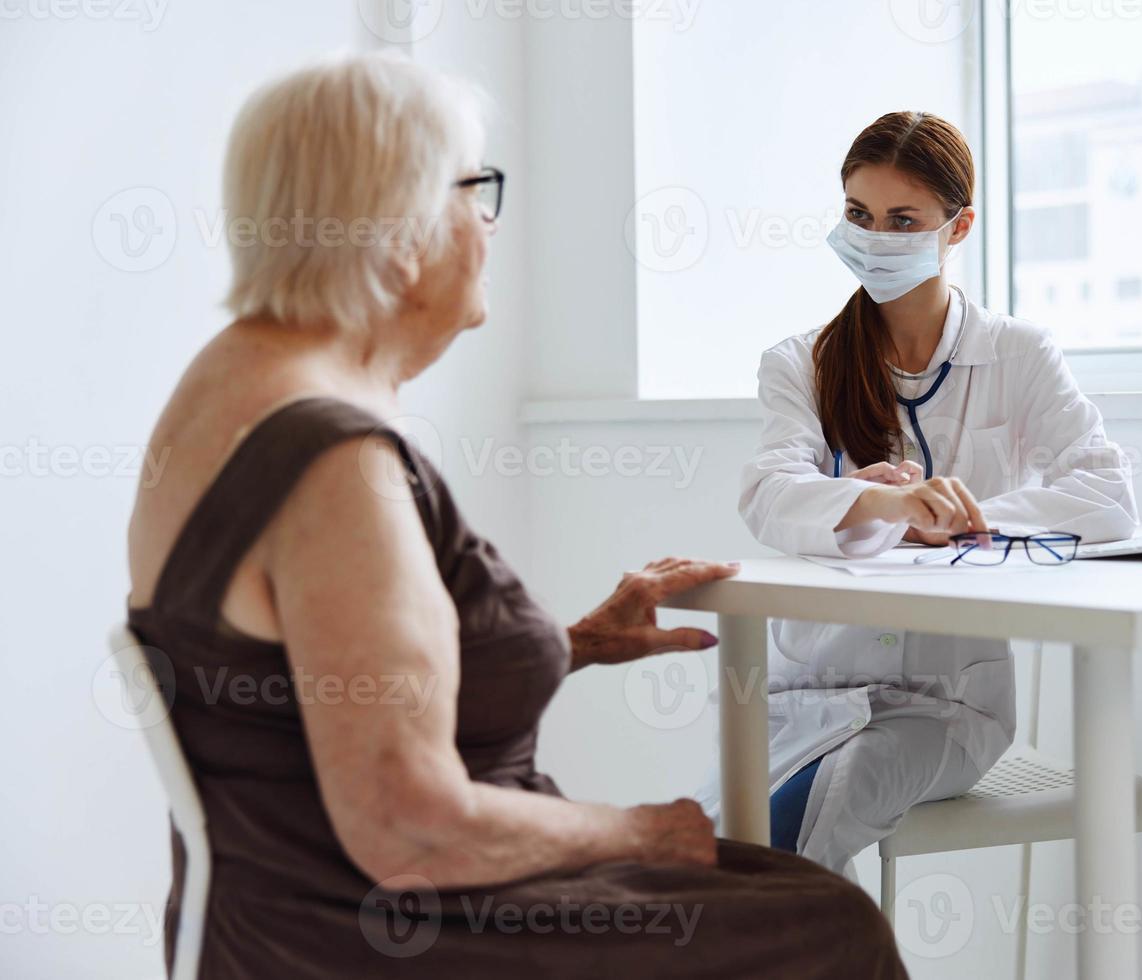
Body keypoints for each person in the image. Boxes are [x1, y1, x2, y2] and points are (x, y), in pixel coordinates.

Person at [124, 54, 905, 978]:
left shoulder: (227, 384)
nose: (490, 226)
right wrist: (640, 831)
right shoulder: (336, 466)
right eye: (476, 192)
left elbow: (322, 689)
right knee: (828, 921)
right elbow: (409, 825)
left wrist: (569, 643)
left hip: (283, 917)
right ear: (402, 229)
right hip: (383, 933)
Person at [726, 111, 1138, 875]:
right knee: (699, 843)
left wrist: (958, 522)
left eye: (901, 219)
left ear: (959, 227)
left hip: (943, 706)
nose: (875, 237)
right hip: (808, 695)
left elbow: (1106, 490)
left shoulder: (1017, 353)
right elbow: (769, 494)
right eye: (859, 215)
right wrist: (877, 505)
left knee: (808, 820)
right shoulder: (800, 363)